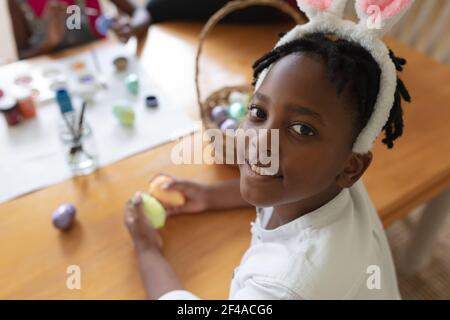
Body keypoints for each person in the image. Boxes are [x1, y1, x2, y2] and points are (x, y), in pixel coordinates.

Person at [124, 0, 413, 299]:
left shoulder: (284, 287)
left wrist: (148, 251)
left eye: (302, 129)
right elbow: (276, 183)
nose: (262, 143)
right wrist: (209, 196)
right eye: (259, 113)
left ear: (351, 167)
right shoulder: (327, 177)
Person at [8, 0, 151, 59]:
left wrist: (131, 27)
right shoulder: (17, 3)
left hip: (101, 62)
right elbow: (22, 56)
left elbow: (141, 13)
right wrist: (49, 42)